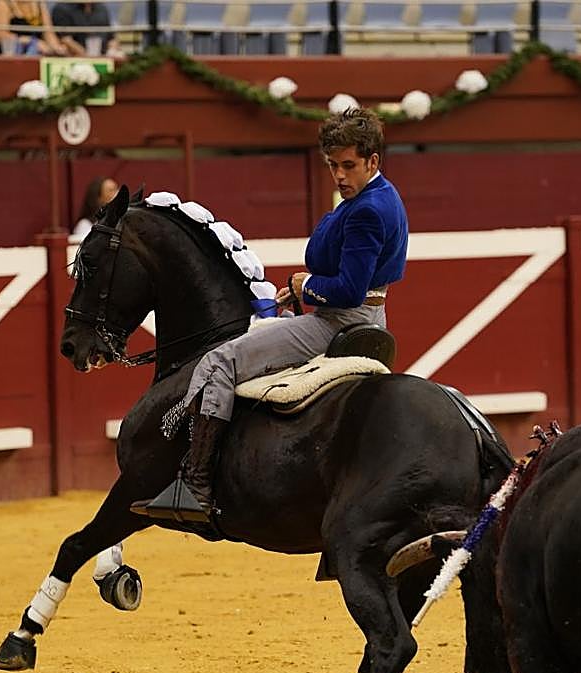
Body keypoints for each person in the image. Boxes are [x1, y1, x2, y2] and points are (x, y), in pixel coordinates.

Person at [144, 107, 409, 523]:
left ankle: (195, 484)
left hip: (338, 321)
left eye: (348, 166)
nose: (339, 176)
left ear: (372, 161)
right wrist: (304, 290)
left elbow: (349, 289)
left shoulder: (366, 210)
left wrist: (307, 286)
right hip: (365, 316)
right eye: (333, 166)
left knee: (221, 360)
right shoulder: (380, 195)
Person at [0, 0, 73, 55]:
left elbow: (48, 33)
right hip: (7, 56)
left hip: (34, 56)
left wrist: (57, 48)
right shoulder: (2, 3)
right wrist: (32, 42)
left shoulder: (39, 4)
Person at [51, 1, 121, 57]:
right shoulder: (62, 8)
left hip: (103, 56)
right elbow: (65, 39)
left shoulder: (102, 8)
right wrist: (87, 56)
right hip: (75, 58)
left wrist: (112, 51)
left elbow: (112, 38)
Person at [71, 176, 120, 243]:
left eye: (117, 189)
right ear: (99, 199)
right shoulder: (85, 225)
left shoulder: (122, 223)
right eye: (110, 190)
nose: (117, 193)